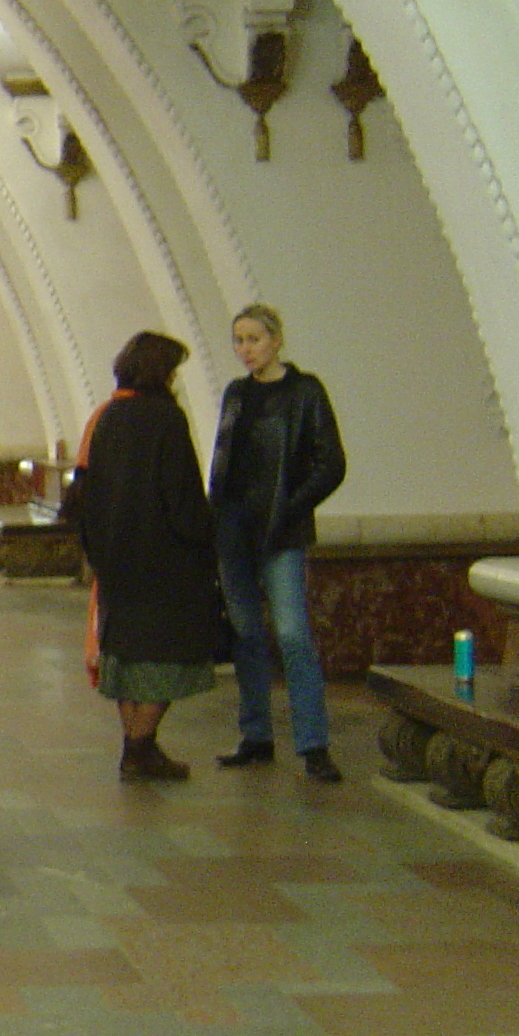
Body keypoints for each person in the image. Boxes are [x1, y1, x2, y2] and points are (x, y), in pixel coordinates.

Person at [69, 332, 226, 781]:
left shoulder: (110, 416)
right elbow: (182, 499)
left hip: (118, 562)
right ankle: (138, 749)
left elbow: (89, 490)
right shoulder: (166, 420)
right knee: (166, 659)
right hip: (166, 565)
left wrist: (98, 550)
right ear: (161, 371)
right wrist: (205, 542)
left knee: (128, 659)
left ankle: (139, 747)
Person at [208, 302, 348, 783]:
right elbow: (222, 464)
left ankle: (313, 743)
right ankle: (256, 734)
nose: (245, 350)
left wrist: (289, 506)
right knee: (246, 633)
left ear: (276, 340)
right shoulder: (235, 395)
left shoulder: (304, 392)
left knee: (291, 633)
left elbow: (331, 463)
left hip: (281, 532)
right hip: (234, 531)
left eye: (253, 339)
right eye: (238, 340)